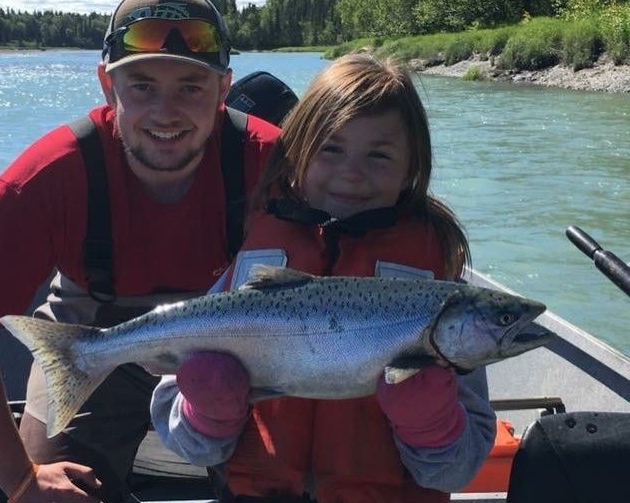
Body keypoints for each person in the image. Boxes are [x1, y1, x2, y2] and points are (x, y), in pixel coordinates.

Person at [0, 1, 280, 503]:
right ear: (108, 87)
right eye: (143, 86)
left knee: (286, 483)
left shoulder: (278, 162)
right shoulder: (50, 176)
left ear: (224, 89)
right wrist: (21, 480)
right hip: (88, 341)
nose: (165, 113)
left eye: (190, 88)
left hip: (238, 349)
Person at [151, 53, 497, 502]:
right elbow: (184, 438)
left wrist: (432, 425)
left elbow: (457, 472)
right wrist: (206, 415)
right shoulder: (253, 259)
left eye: (379, 155)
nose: (352, 173)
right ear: (296, 154)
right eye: (331, 149)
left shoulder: (442, 294)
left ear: (411, 167)